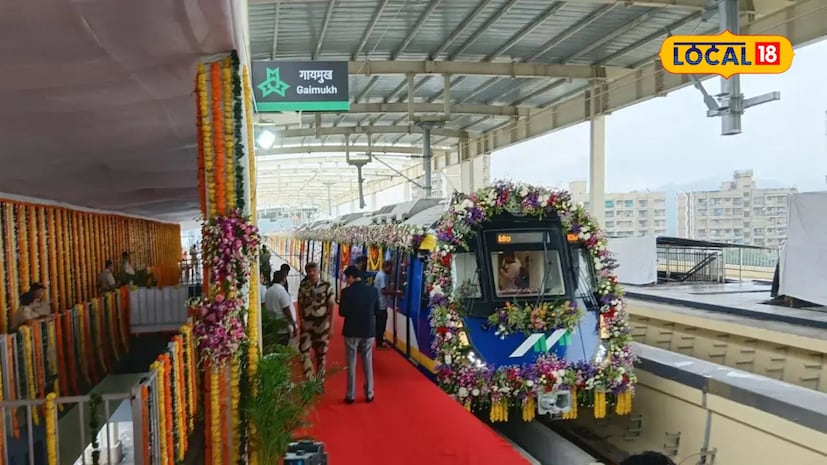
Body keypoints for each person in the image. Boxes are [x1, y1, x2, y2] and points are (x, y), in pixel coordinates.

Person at [339, 265, 380, 404]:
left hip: (351, 331)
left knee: (351, 363)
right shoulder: (373, 291)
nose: (346, 281)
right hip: (368, 331)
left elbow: (342, 312)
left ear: (351, 277)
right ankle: (369, 393)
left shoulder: (346, 292)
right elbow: (377, 310)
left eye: (347, 278)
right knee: (368, 362)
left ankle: (350, 395)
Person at [297, 262, 335, 382]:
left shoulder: (327, 286)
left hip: (322, 323)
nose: (312, 273)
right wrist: (301, 319)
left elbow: (331, 305)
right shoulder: (303, 286)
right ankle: (310, 379)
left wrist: (331, 326)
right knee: (304, 351)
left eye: (314, 271)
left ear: (318, 271)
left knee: (321, 354)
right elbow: (300, 303)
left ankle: (319, 381)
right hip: (307, 324)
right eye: (309, 271)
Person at [265, 270, 297, 346]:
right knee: (283, 346)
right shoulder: (281, 292)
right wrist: (293, 325)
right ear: (284, 279)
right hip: (283, 327)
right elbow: (286, 310)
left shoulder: (269, 291)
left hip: (273, 324)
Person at [372, 260, 395, 349]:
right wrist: (395, 292)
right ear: (387, 267)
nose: (392, 270)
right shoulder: (382, 276)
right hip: (381, 305)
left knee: (380, 324)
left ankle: (379, 341)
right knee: (381, 325)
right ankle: (379, 344)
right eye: (391, 268)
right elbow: (383, 291)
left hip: (380, 304)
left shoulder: (379, 274)